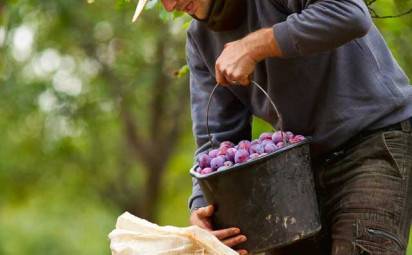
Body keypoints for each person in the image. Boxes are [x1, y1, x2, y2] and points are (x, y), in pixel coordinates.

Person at [134, 0, 412, 254]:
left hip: (372, 142)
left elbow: (350, 14)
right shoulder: (199, 40)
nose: (170, 7)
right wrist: (201, 207)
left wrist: (254, 45)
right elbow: (215, 140)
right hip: (295, 173)